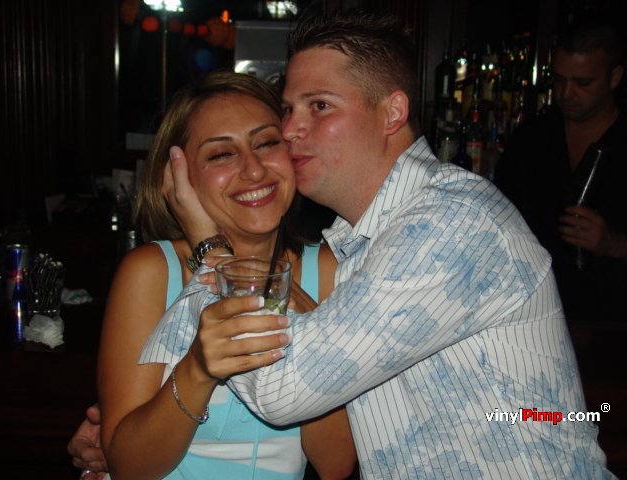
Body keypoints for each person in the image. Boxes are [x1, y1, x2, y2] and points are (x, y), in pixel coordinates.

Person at [143, 12, 615, 479]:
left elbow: (281, 390)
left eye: (319, 106)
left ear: (392, 113)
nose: (288, 131)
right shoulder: (365, 239)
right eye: (288, 110)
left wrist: (209, 247)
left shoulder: (447, 224)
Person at [80, 71, 356, 480]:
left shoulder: (329, 270)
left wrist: (304, 317)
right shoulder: (151, 272)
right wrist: (198, 369)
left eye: (266, 143)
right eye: (221, 155)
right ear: (179, 177)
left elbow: (335, 463)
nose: (254, 170)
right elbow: (129, 467)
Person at [494, 17, 627, 323]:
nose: (566, 93)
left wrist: (613, 244)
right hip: (535, 315)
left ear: (615, 77)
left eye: (583, 83)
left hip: (614, 322)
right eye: (558, 80)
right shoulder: (532, 138)